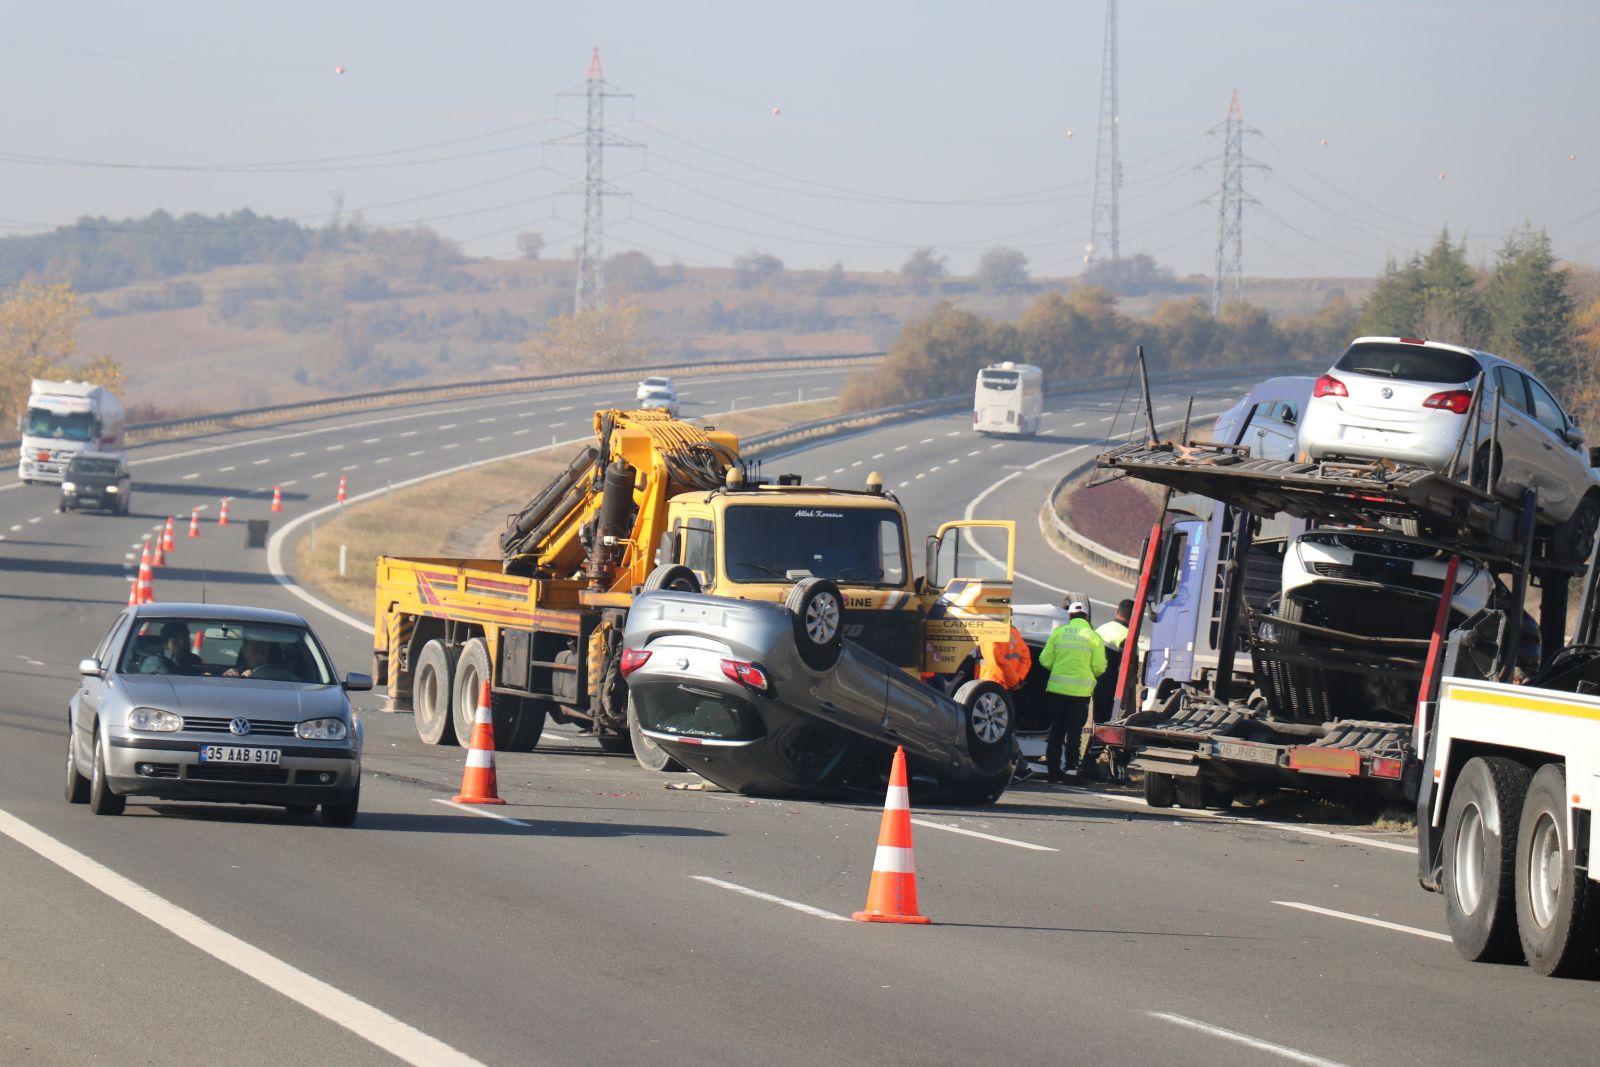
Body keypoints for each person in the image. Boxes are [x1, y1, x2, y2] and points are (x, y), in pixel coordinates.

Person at [1038, 600, 1106, 782]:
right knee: (1074, 732)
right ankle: (1071, 769)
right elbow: (1099, 667)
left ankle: (1053, 770)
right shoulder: (1093, 637)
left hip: (1057, 690)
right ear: (1086, 616)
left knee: (1056, 731)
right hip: (1080, 693)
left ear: (1069, 615)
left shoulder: (1058, 633)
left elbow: (1044, 660)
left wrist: (1058, 668)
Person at [1083, 598, 1134, 778]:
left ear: (1116, 612)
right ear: (1133, 616)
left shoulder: (1101, 628)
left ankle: (1089, 762)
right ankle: (1090, 762)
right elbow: (1126, 668)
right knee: (1108, 725)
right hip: (1111, 685)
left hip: (1091, 681)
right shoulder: (1126, 635)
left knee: (1098, 722)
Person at [976, 624, 1034, 780]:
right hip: (1007, 687)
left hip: (991, 686)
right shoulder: (1015, 632)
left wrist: (1012, 680)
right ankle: (1015, 767)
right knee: (1001, 727)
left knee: (995, 730)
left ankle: (1017, 767)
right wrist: (1016, 680)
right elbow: (1026, 659)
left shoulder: (990, 632)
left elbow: (995, 660)